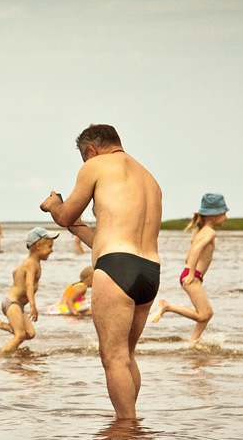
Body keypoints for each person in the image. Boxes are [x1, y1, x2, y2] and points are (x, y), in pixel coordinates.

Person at [40, 123, 162, 420]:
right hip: (149, 269)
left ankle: (126, 430)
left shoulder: (95, 166)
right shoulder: (149, 178)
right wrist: (77, 228)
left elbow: (65, 215)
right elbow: (104, 240)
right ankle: (132, 426)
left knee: (113, 358)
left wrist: (54, 205)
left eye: (85, 157)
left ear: (91, 150)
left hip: (117, 267)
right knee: (127, 355)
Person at [149, 193, 228, 344]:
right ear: (213, 216)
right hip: (192, 276)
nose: (226, 217)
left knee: (208, 313)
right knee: (203, 315)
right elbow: (196, 250)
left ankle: (193, 342)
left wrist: (191, 270)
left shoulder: (199, 232)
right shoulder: (210, 233)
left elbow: (187, 256)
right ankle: (167, 306)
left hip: (192, 275)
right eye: (224, 213)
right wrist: (192, 273)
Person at [0, 227, 59, 352]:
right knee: (20, 335)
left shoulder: (31, 262)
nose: (52, 250)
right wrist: (32, 306)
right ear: (39, 246)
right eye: (50, 246)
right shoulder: (32, 263)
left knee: (30, 333)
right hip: (12, 303)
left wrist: (17, 283)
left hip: (17, 304)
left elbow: (15, 271)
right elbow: (29, 284)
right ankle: (3, 356)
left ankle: (0, 324)